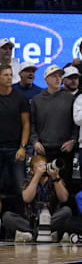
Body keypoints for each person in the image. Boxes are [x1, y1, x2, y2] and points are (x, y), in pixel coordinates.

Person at [1, 155, 71, 242]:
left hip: (51, 220)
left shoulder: (55, 179)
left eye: (44, 166)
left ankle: (33, 235)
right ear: (32, 171)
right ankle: (38, 232)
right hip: (31, 223)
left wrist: (56, 178)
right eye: (39, 167)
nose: (43, 169)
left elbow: (64, 198)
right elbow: (26, 198)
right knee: (7, 216)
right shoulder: (28, 181)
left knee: (66, 211)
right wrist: (37, 176)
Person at [30, 65, 77, 189]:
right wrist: (34, 141)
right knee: (44, 184)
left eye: (59, 76)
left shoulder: (70, 98)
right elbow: (32, 123)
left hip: (64, 149)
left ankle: (63, 208)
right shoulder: (37, 100)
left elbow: (76, 123)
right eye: (54, 76)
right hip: (43, 150)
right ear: (46, 79)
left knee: (63, 185)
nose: (58, 79)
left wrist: (73, 140)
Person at [0, 64, 30, 203]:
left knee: (21, 188)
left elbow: (26, 124)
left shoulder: (20, 97)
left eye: (11, 75)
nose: (9, 78)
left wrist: (23, 147)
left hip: (15, 148)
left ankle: (22, 220)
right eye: (5, 75)